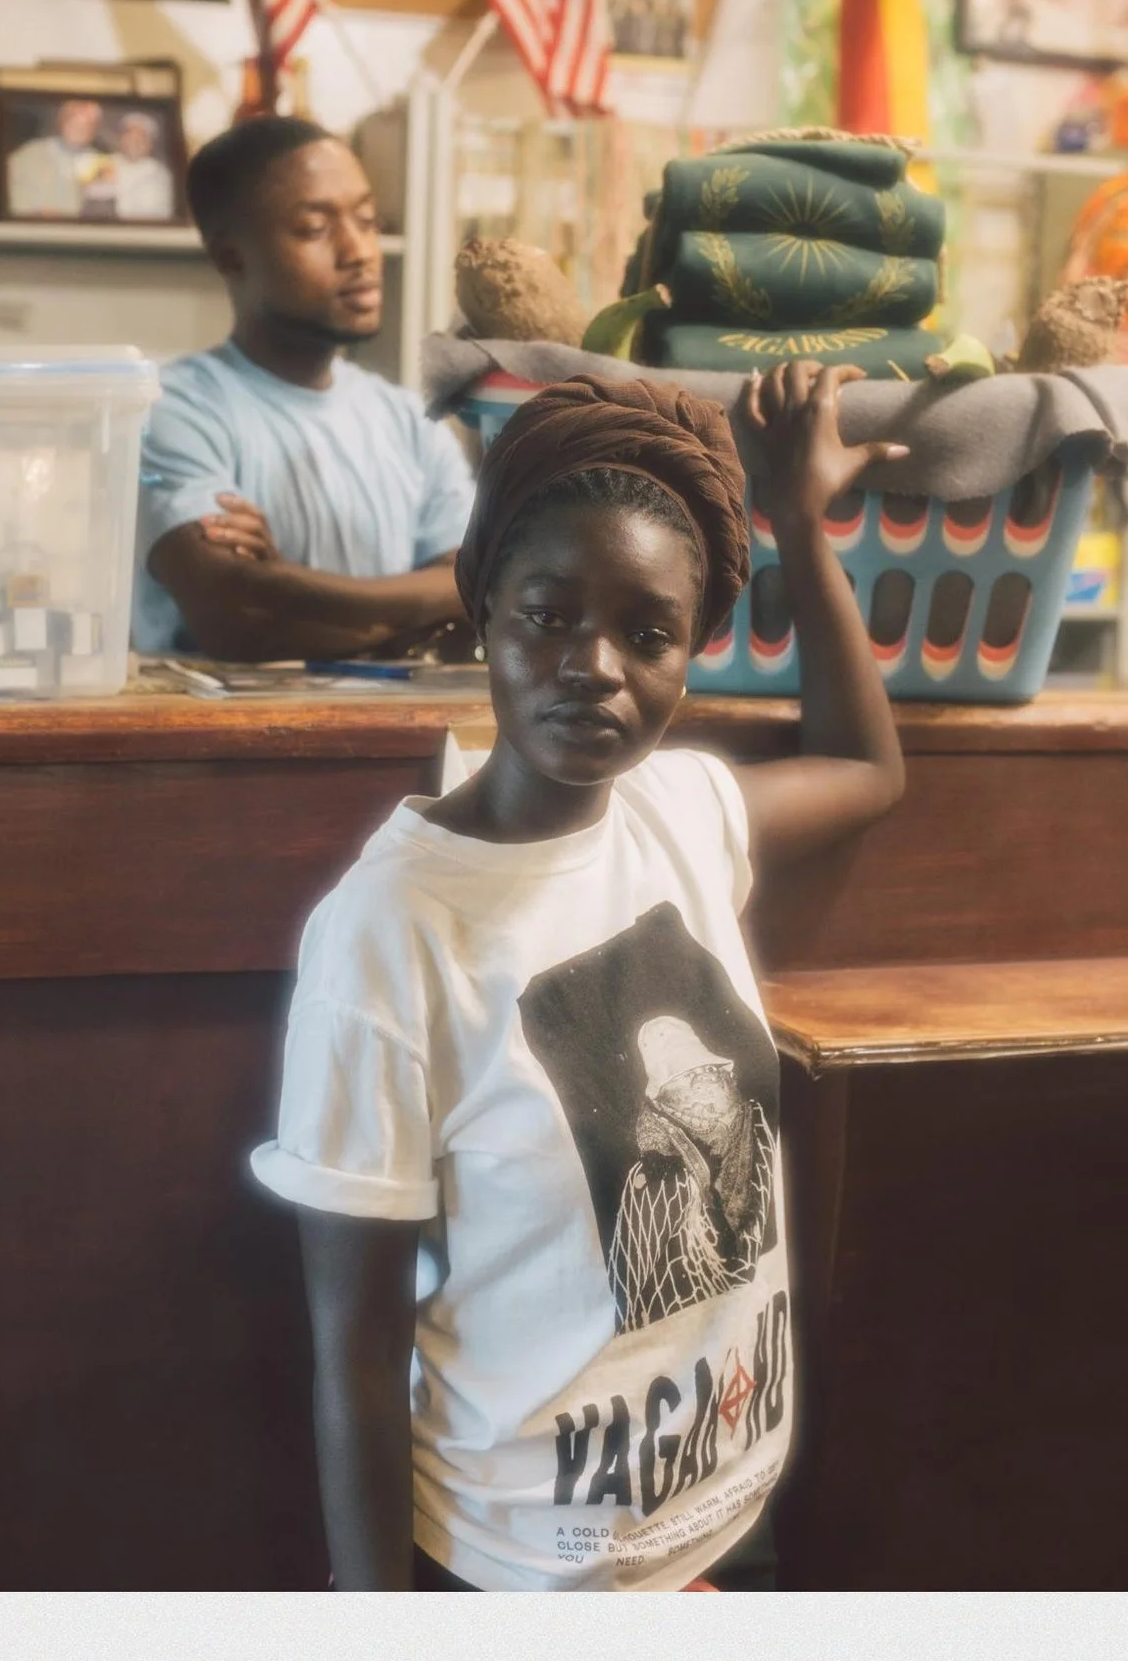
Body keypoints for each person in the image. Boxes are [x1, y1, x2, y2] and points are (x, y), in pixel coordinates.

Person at [249, 362, 909, 1590]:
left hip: (727, 1511)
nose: (594, 663)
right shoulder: (392, 932)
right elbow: (353, 1342)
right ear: (482, 607)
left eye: (648, 631)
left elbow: (867, 771)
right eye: (549, 613)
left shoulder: (680, 813)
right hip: (523, 1567)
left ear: (692, 654)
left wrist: (799, 522)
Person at [132, 116, 475, 660]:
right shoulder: (169, 408)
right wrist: (415, 622)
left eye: (367, 220)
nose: (360, 251)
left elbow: (475, 586)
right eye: (316, 229)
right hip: (214, 743)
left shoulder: (410, 420)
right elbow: (240, 621)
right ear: (230, 256)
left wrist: (283, 579)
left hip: (398, 739)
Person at [4, 95, 110, 217]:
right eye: (74, 120)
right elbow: (11, 198)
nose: (80, 128)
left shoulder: (102, 164)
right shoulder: (28, 155)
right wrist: (37, 214)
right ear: (62, 121)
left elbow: (104, 212)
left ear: (94, 131)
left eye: (89, 124)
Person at [105, 109, 175, 221]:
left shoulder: (161, 174)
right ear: (120, 139)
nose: (134, 141)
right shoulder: (103, 164)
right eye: (129, 135)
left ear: (150, 144)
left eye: (141, 137)